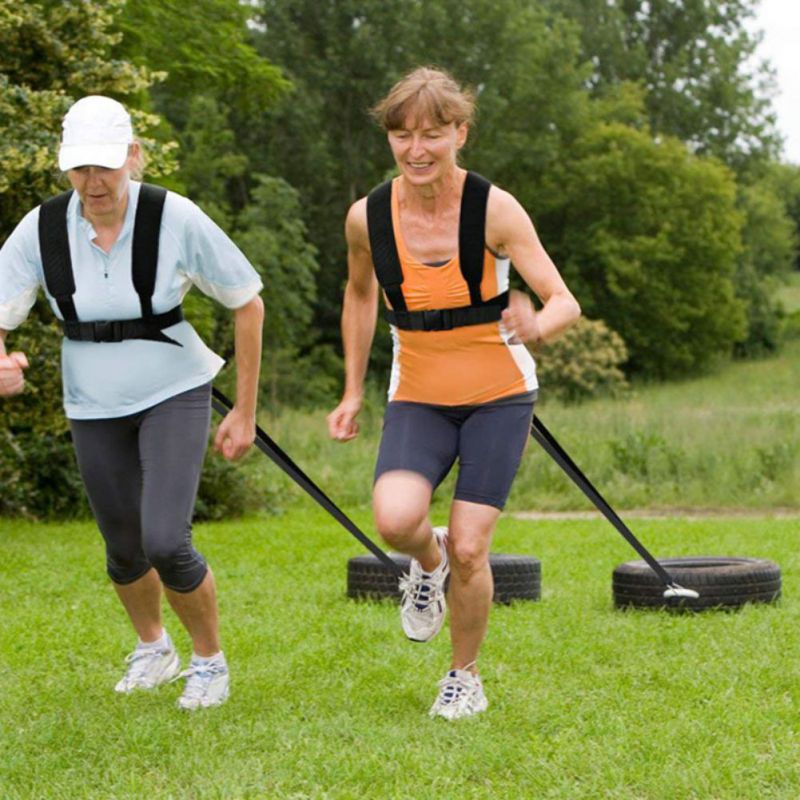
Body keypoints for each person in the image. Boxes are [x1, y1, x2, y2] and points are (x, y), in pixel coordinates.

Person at [327, 67, 581, 720]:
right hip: (418, 392)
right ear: (389, 139)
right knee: (395, 519)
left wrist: (536, 325)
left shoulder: (495, 209)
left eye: (433, 134)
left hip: (499, 392)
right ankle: (427, 564)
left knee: (474, 544)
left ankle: (464, 677)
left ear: (460, 134)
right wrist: (352, 390)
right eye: (403, 135)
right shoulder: (367, 219)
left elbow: (562, 301)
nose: (417, 149)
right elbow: (358, 297)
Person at [0, 95, 264, 710]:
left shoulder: (175, 216)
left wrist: (244, 411)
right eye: (80, 168)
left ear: (133, 157)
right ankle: (154, 649)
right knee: (122, 546)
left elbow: (247, 301)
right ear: (66, 168)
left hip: (174, 388)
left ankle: (208, 661)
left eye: (105, 166)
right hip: (90, 401)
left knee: (166, 540)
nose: (93, 182)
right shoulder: (40, 229)